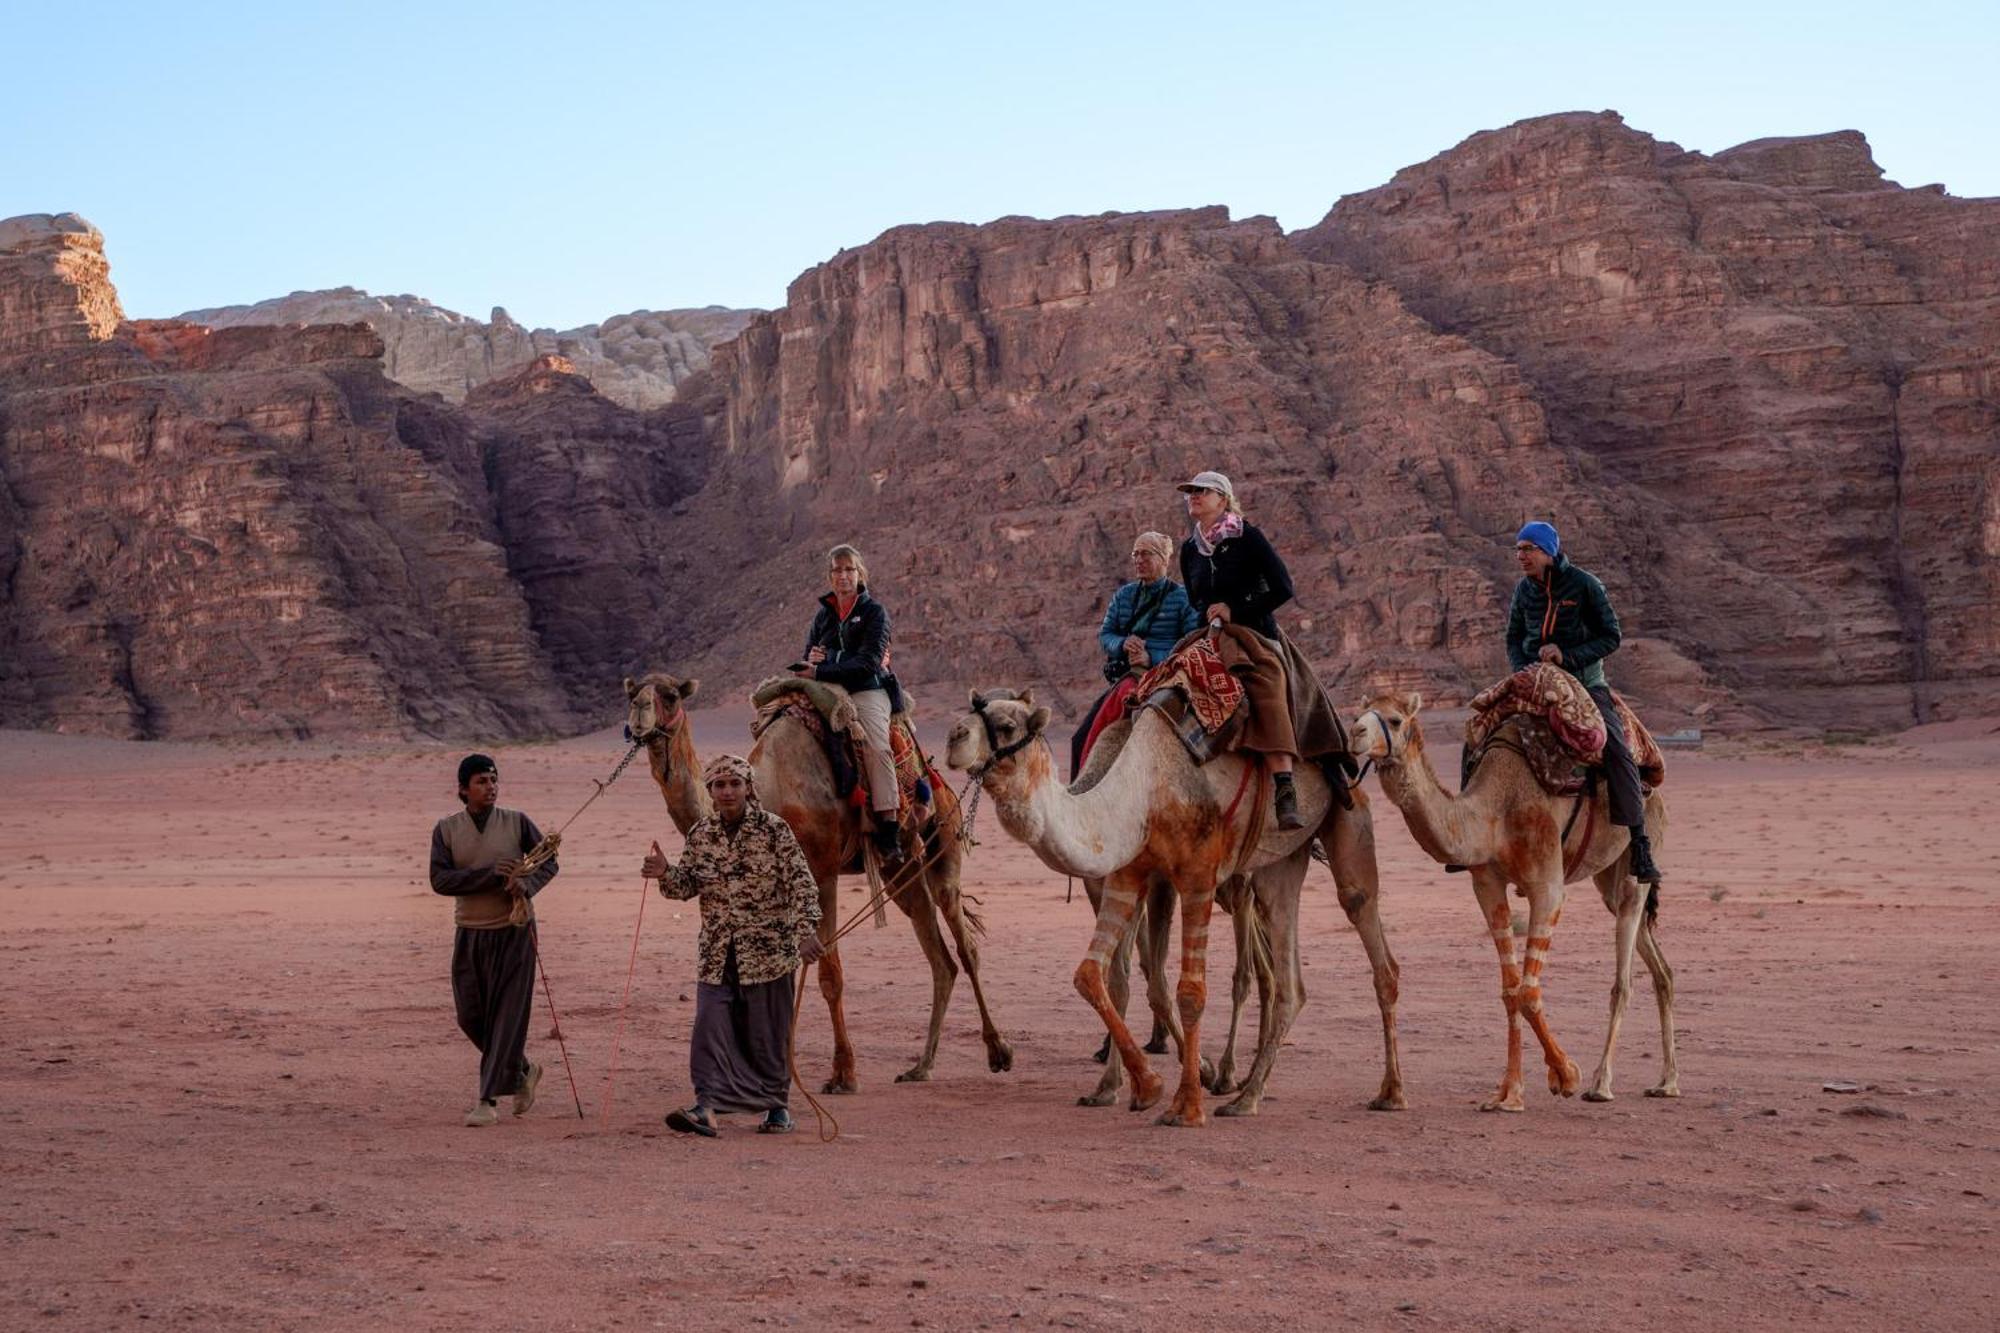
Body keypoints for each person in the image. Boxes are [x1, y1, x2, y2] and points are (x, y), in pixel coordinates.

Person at [642, 754, 824, 1137]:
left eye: (734, 784)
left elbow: (801, 884)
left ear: (748, 788)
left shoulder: (774, 830)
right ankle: (706, 1106)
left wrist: (807, 930)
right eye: (719, 785)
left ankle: (777, 1106)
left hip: (769, 953)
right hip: (716, 954)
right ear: (709, 791)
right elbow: (686, 886)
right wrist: (665, 873)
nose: (727, 792)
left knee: (767, 1032)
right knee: (709, 1027)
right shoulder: (700, 834)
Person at [1505, 521, 1663, 883]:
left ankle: (1639, 844)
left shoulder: (1585, 585)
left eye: (1528, 548)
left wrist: (1567, 655)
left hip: (1585, 685)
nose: (1521, 556)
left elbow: (1611, 636)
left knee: (1615, 747)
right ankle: (1475, 833)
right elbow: (1513, 637)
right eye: (1518, 549)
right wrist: (1522, 670)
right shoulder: (1523, 591)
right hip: (1536, 682)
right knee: (1481, 730)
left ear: (1548, 551)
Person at [1177, 469, 1328, 830]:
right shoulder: (1188, 549)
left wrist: (1236, 610)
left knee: (1267, 684)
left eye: (1203, 491)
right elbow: (1196, 598)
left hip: (1253, 631)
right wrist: (1208, 619)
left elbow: (1281, 588)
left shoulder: (1248, 537)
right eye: (1190, 492)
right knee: (1166, 682)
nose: (1194, 496)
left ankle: (1285, 787)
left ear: (1223, 499)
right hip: (1208, 634)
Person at [429, 753, 560, 1128]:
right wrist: (488, 875)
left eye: (494, 780)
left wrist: (527, 883)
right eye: (482, 781)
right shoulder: (446, 829)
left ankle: (487, 1101)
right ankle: (522, 1069)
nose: (490, 787)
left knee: (506, 1018)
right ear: (462, 789)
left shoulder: (517, 823)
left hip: (515, 932)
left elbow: (548, 860)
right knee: (470, 1016)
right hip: (470, 933)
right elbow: (440, 880)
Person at [792, 543, 903, 867]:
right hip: (828, 689)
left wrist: (828, 661)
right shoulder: (823, 615)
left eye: (849, 569)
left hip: (867, 689)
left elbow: (869, 663)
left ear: (860, 574)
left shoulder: (874, 613)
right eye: (837, 570)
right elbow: (809, 655)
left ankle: (889, 828)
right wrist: (811, 662)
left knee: (875, 746)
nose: (843, 575)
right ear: (830, 577)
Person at [1071, 531, 1202, 777]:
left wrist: (1150, 657)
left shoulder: (1183, 598)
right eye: (1136, 554)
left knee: (1123, 694)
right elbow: (1106, 635)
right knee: (1079, 738)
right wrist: (1123, 643)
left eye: (1146, 554)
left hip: (1165, 677)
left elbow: (1191, 644)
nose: (1139, 560)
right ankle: (1080, 787)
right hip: (1126, 673)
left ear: (1164, 560)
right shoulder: (1124, 596)